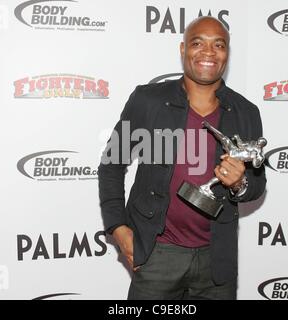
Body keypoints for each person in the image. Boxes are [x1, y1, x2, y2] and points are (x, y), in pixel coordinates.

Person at [98, 16, 266, 300]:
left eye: (219, 45)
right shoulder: (148, 100)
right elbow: (111, 164)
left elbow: (258, 185)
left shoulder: (245, 112)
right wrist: (118, 228)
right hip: (157, 254)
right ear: (182, 49)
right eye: (198, 43)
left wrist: (239, 184)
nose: (208, 52)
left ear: (227, 53)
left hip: (217, 260)